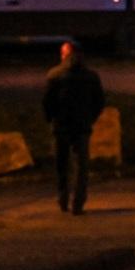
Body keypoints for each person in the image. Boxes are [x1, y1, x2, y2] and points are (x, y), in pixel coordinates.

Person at [43, 42, 105, 215]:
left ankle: (62, 198)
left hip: (60, 126)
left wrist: (51, 119)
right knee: (81, 166)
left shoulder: (54, 75)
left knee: (61, 164)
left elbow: (48, 101)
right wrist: (90, 119)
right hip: (82, 126)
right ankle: (78, 203)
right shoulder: (91, 76)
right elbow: (99, 102)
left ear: (64, 55)